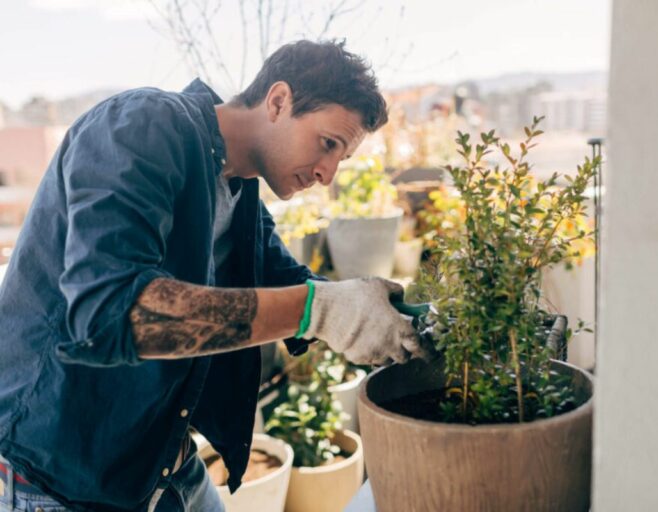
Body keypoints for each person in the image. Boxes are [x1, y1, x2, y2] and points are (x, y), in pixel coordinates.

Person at [0, 40, 430, 511]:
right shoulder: (143, 126)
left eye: (340, 159)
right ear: (278, 101)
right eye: (327, 143)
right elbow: (111, 314)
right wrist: (320, 311)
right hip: (59, 479)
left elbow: (290, 285)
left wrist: (402, 319)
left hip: (162, 462)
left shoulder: (239, 190)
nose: (328, 174)